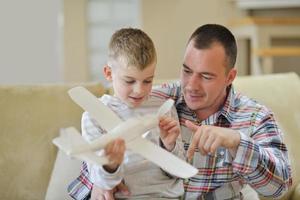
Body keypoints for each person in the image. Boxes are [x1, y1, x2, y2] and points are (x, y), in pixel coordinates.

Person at [151, 24, 292, 199]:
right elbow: (114, 109)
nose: (191, 86)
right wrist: (106, 178)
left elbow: (280, 186)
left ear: (230, 77)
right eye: (187, 71)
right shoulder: (161, 99)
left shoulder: (255, 116)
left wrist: (237, 142)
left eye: (206, 76)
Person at [67, 28, 185, 200]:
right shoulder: (93, 115)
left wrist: (170, 145)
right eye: (129, 81)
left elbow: (179, 172)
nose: (139, 90)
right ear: (108, 73)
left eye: (148, 80)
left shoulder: (164, 109)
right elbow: (100, 181)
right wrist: (110, 166)